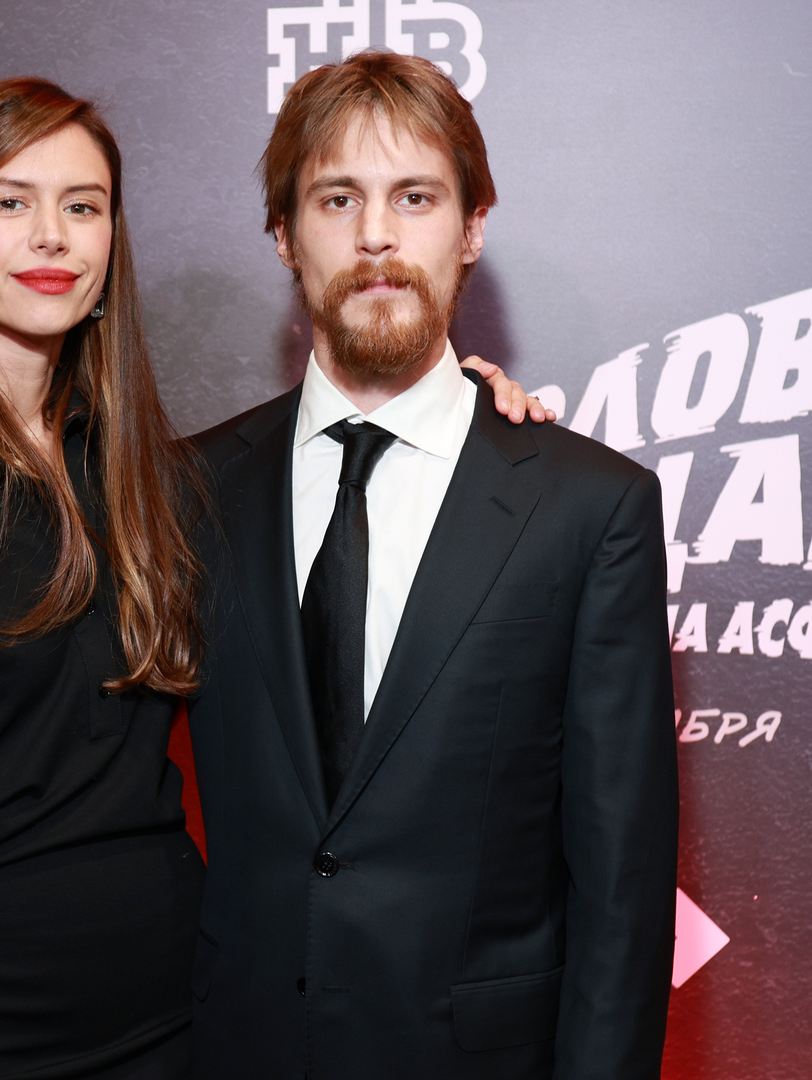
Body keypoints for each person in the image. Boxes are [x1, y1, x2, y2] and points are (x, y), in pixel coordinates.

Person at [0, 76, 542, 1080]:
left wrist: (458, 416)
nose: (52, 235)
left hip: (183, 1023)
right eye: (10, 201)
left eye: (83, 206)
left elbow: (349, 479)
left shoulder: (152, 481)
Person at [186, 52, 679, 1080]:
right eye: (338, 199)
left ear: (472, 227)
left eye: (415, 197)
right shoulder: (185, 490)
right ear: (284, 235)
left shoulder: (587, 509)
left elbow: (622, 893)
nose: (377, 235)